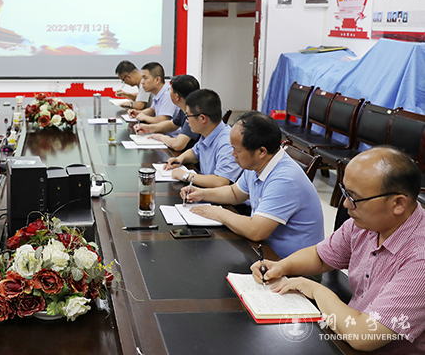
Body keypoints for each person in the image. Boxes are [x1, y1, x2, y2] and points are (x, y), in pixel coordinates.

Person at [251, 146, 425, 353]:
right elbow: (321, 256)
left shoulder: (419, 259)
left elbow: (364, 336)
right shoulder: (367, 223)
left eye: (354, 198)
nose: (345, 204)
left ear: (398, 204)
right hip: (346, 329)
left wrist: (315, 290)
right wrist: (281, 267)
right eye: (345, 192)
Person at [181, 111, 324, 258]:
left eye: (237, 150)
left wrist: (218, 213)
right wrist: (201, 193)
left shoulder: (285, 179)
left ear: (261, 151)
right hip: (265, 251)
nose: (233, 154)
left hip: (290, 263)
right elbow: (235, 193)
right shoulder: (258, 164)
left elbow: (256, 231)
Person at [165, 89, 241, 187]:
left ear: (202, 118)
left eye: (188, 116)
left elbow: (221, 181)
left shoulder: (227, 143)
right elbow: (194, 152)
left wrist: (185, 175)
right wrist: (179, 159)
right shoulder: (208, 132)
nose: (187, 121)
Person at [134, 74, 201, 151]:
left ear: (177, 97)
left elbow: (178, 145)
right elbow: (171, 125)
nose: (168, 93)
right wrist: (149, 128)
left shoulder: (194, 114)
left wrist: (162, 138)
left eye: (170, 90)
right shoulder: (185, 109)